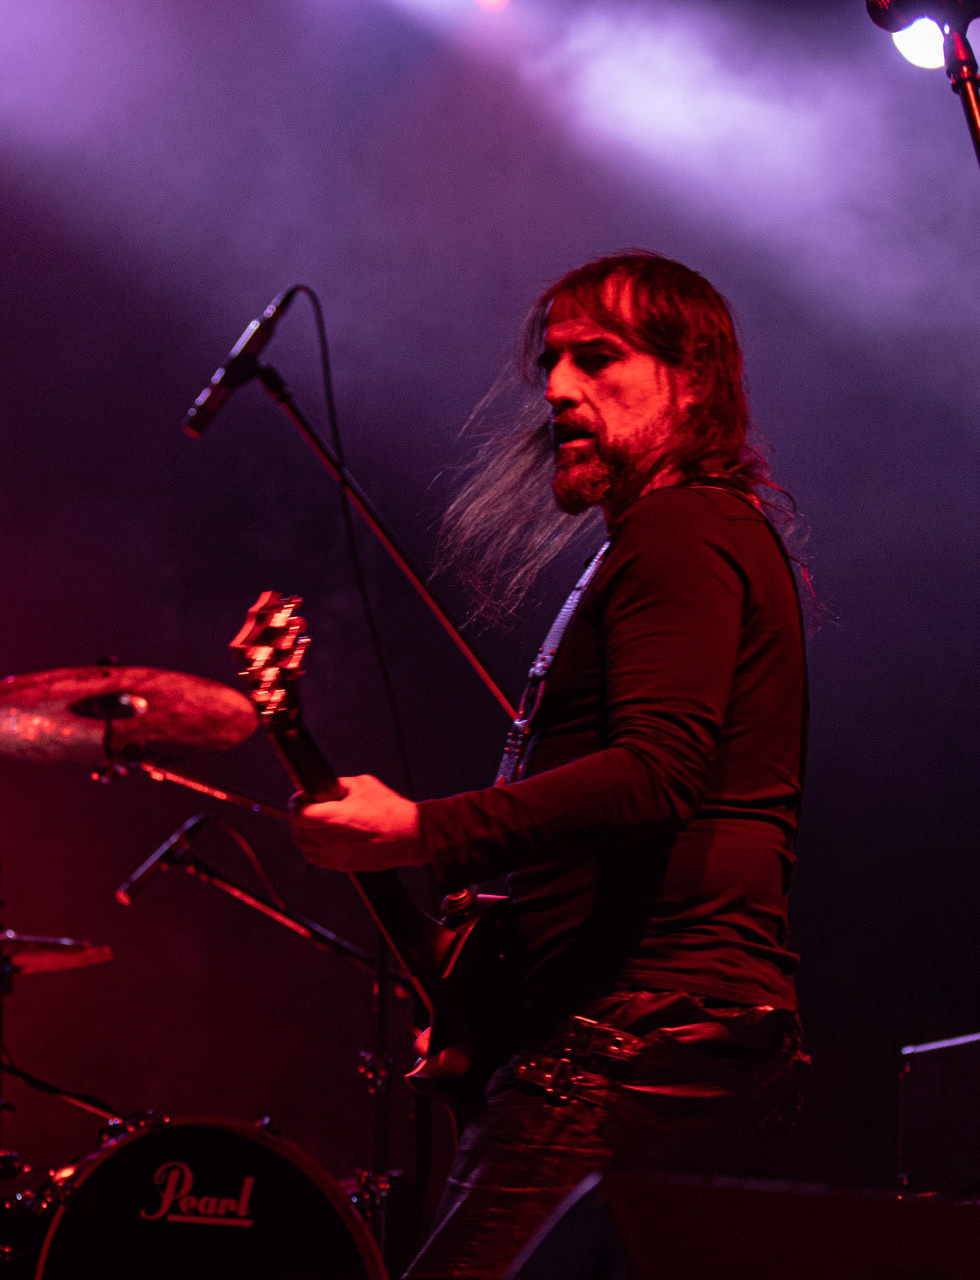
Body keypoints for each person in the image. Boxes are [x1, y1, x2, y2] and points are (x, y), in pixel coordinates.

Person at [292, 252, 808, 1279]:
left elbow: (657, 772)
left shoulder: (682, 528)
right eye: (552, 362)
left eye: (597, 358)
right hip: (668, 1031)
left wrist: (422, 828)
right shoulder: (677, 535)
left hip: (635, 1038)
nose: (559, 388)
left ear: (691, 381)